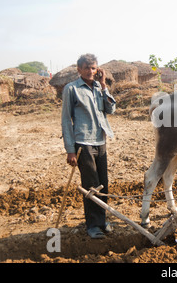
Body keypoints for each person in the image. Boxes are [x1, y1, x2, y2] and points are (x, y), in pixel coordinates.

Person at [61, 53, 116, 239]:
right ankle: (93, 226)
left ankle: (102, 221)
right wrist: (70, 150)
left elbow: (111, 109)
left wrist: (104, 86)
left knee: (103, 184)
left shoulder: (99, 88)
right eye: (86, 68)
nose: (90, 71)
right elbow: (66, 121)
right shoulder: (72, 89)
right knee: (91, 185)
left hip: (101, 141)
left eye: (93, 68)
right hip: (83, 143)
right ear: (79, 69)